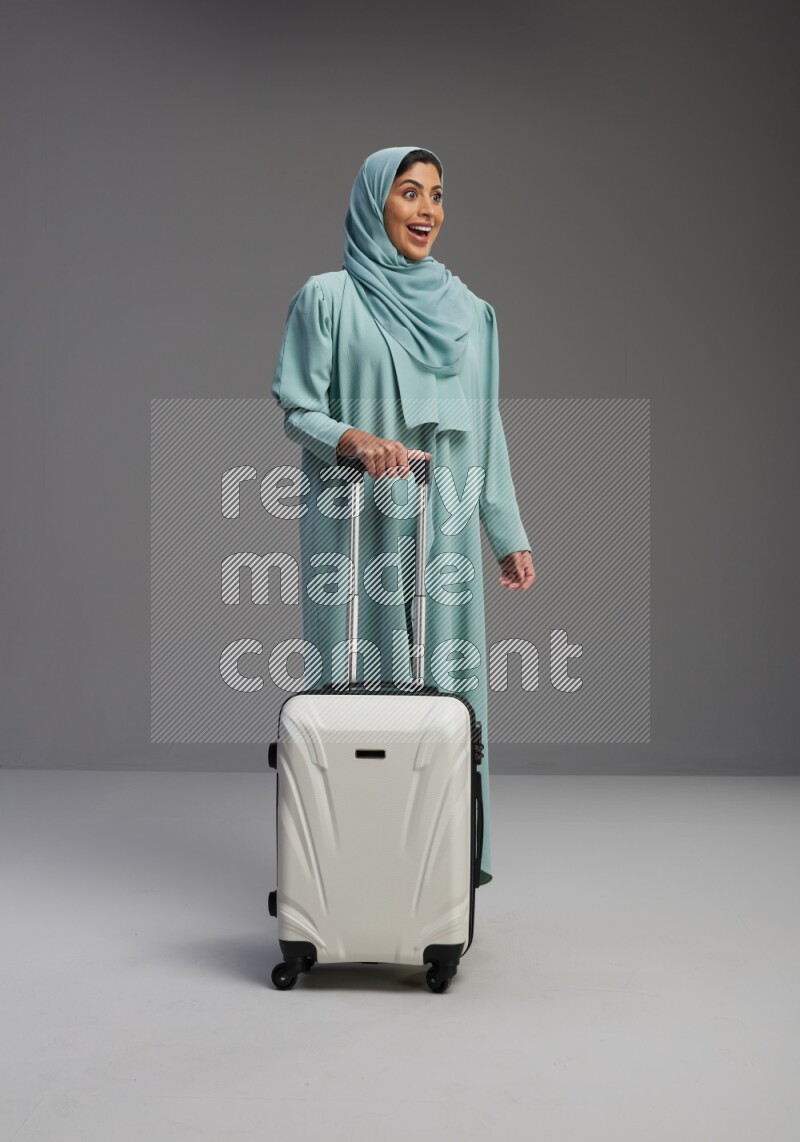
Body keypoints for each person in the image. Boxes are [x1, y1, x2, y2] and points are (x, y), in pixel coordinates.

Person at [271, 146, 536, 884]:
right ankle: (350, 873)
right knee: (353, 689)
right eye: (409, 192)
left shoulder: (470, 313)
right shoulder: (327, 300)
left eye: (437, 195)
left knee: (449, 697)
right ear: (373, 203)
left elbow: (485, 425)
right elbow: (296, 409)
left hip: (444, 531)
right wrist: (352, 440)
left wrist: (505, 532)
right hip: (354, 523)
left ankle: (440, 874)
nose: (427, 210)